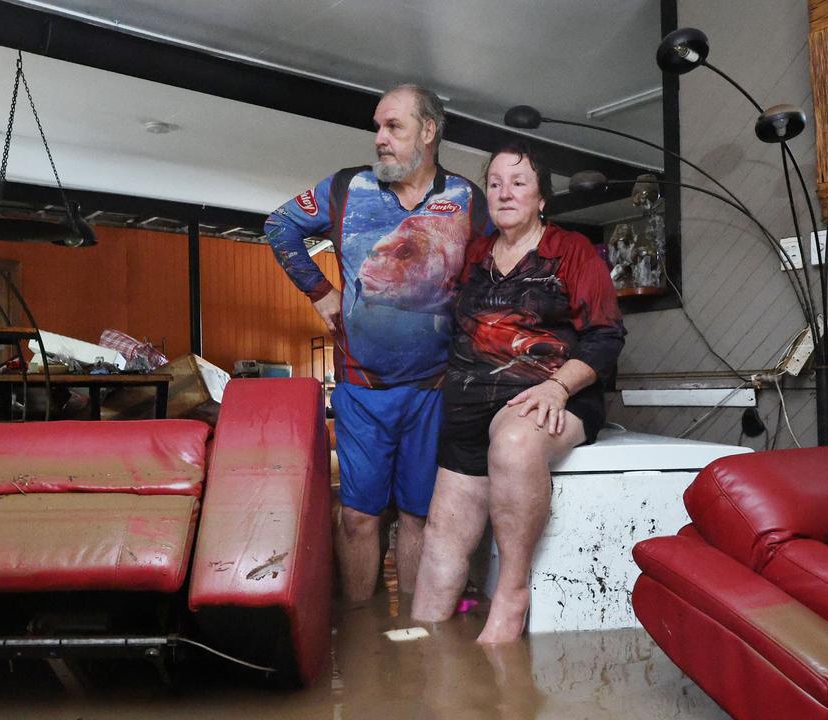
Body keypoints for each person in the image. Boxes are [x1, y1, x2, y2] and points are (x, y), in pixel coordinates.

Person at [265, 84, 488, 601]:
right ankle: (363, 641)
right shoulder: (345, 188)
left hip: (435, 389)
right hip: (361, 387)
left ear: (428, 132)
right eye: (377, 127)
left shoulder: (467, 200)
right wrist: (320, 291)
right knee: (360, 517)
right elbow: (279, 226)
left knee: (418, 517)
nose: (379, 139)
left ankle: (410, 644)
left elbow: (494, 271)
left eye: (393, 127)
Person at [411, 143, 625, 643]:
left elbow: (607, 336)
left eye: (519, 182)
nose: (505, 192)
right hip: (467, 402)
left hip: (548, 396)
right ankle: (420, 650)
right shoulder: (476, 254)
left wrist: (557, 386)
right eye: (495, 183)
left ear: (542, 197)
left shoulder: (571, 250)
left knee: (512, 442)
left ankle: (512, 592)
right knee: (442, 537)